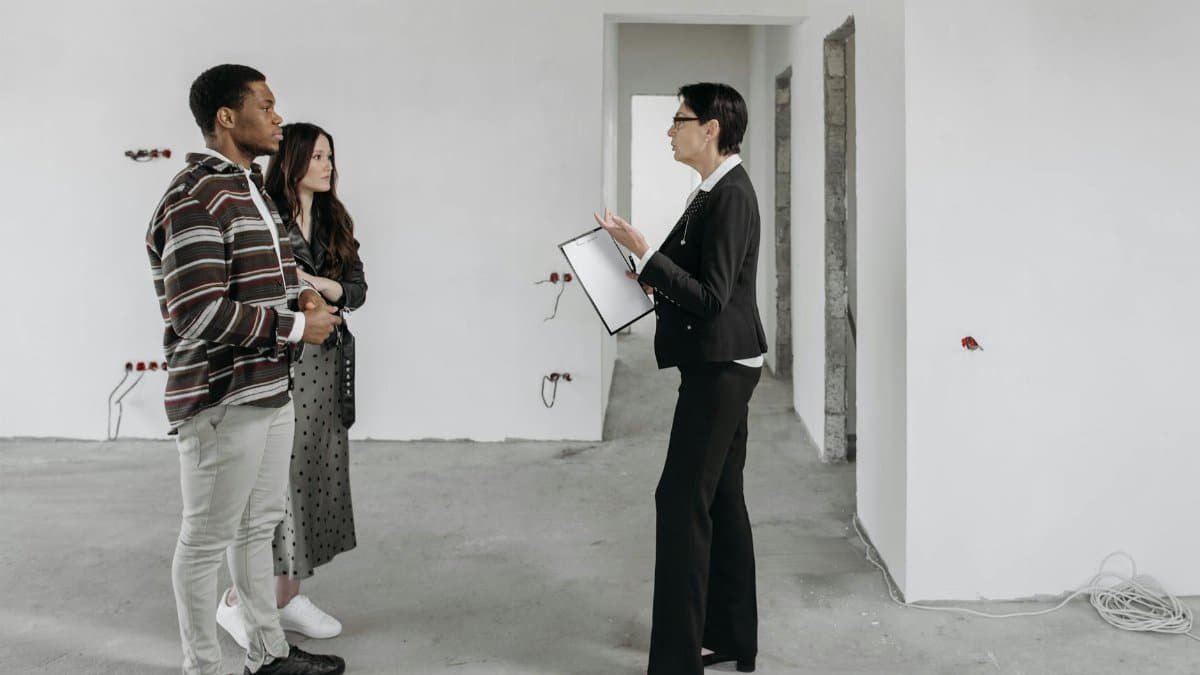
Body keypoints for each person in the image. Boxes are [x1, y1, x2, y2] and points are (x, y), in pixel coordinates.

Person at [145, 63, 346, 675]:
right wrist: (296, 328)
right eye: (266, 105)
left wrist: (303, 297)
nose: (278, 117)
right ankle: (203, 668)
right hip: (221, 398)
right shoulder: (193, 197)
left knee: (257, 529)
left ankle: (268, 655)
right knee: (205, 540)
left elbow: (274, 274)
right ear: (227, 117)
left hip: (268, 389)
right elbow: (197, 312)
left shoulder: (250, 187)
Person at [595, 82, 768, 675]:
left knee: (680, 501)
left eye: (680, 120)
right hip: (724, 361)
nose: (670, 131)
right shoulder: (712, 190)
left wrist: (645, 253)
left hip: (722, 367)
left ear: (711, 129)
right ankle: (734, 639)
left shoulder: (731, 196)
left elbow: (713, 298)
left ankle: (676, 662)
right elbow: (694, 277)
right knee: (720, 498)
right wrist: (645, 269)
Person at [216, 122, 367, 644]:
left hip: (327, 365)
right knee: (275, 486)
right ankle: (239, 603)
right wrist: (315, 294)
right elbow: (259, 287)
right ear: (296, 159)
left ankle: (287, 596)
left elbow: (357, 289)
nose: (328, 165)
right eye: (318, 156)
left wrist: (321, 285)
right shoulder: (268, 214)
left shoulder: (333, 218)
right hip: (282, 360)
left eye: (331, 156)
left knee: (315, 476)